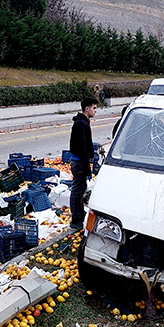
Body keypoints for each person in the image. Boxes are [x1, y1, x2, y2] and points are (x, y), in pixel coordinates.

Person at [68, 96, 98, 231]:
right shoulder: (81, 124)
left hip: (80, 161)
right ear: (87, 108)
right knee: (77, 191)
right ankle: (75, 219)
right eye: (94, 108)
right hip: (78, 162)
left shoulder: (83, 122)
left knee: (80, 190)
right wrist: (87, 169)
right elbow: (82, 148)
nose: (95, 111)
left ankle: (79, 214)